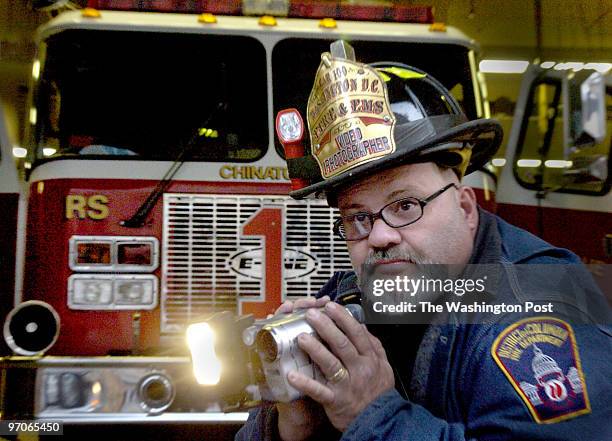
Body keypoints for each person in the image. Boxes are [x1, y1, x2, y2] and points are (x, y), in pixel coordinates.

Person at [236, 41, 612, 441]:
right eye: (358, 218)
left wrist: (373, 417)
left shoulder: (546, 308)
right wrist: (290, 427)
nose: (378, 236)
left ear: (466, 209)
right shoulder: (353, 296)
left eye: (405, 206)